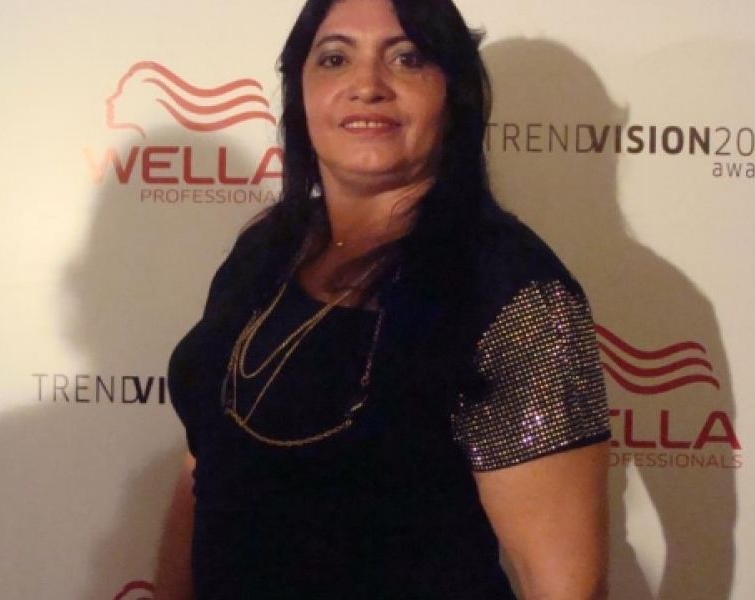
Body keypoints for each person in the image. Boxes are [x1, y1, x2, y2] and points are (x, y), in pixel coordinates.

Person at [156, 0, 610, 598]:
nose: (367, 85)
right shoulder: (266, 247)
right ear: (300, 91)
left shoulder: (511, 288)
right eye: (335, 58)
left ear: (454, 95)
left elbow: (564, 585)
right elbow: (206, 462)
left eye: (407, 58)